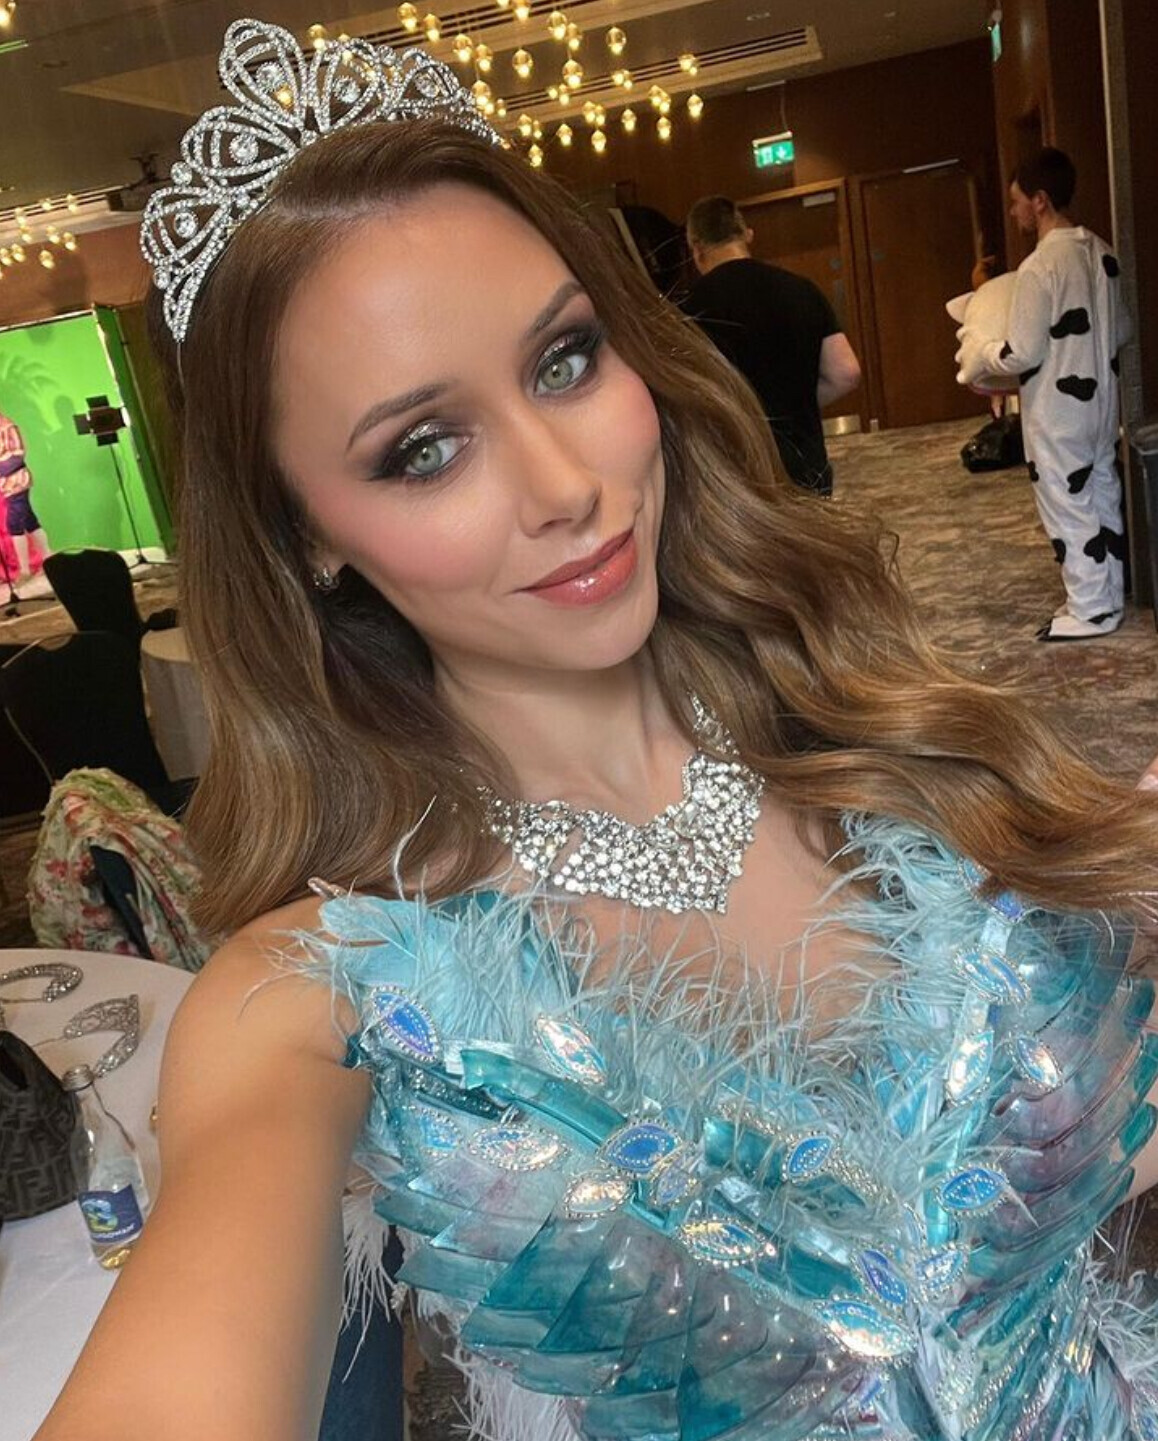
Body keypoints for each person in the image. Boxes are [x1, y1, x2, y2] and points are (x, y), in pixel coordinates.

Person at [35, 21, 1158, 1441]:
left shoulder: (875, 720)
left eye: (564, 360)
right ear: (304, 535)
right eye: (422, 450)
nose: (565, 483)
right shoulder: (326, 996)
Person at [955, 148, 1130, 641]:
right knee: (1102, 493)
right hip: (1102, 402)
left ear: (1040, 200)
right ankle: (1109, 594)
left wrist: (980, 350)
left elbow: (1022, 352)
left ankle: (1091, 608)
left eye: (1017, 202)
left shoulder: (1039, 267)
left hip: (1056, 409)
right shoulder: (1103, 252)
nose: (1014, 212)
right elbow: (1123, 328)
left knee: (1065, 502)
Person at [683, 196, 861, 496]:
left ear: (697, 248)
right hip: (806, 466)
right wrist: (794, 403)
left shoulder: (686, 310)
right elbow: (846, 372)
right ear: (746, 235)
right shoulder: (801, 289)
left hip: (736, 476)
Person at [0, 408, 50, 580]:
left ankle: (25, 570)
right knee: (29, 521)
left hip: (16, 482)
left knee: (14, 524)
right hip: (7, 484)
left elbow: (17, 456)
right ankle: (49, 560)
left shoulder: (7, 427)